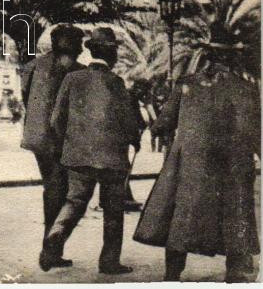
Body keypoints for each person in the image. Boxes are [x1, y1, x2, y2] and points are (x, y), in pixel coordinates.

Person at [133, 24, 260, 283]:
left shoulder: (186, 84)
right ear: (232, 57)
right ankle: (237, 275)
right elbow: (254, 131)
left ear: (209, 56)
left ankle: (172, 275)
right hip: (231, 164)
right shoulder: (245, 88)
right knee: (235, 216)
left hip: (190, 162)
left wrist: (157, 126)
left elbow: (163, 124)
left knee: (181, 218)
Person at [40, 27, 141, 275]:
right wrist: (134, 139)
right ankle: (109, 262)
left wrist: (70, 143)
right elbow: (128, 121)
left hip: (78, 155)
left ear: (91, 51)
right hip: (112, 158)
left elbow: (56, 120)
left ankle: (56, 234)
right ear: (112, 55)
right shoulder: (116, 83)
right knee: (113, 210)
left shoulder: (72, 79)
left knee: (74, 202)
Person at [20, 24, 85, 268]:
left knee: (53, 191)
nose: (80, 49)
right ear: (70, 45)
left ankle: (52, 250)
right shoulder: (75, 70)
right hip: (60, 141)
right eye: (78, 43)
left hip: (37, 138)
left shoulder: (33, 66)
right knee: (61, 194)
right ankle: (50, 252)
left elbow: (26, 96)